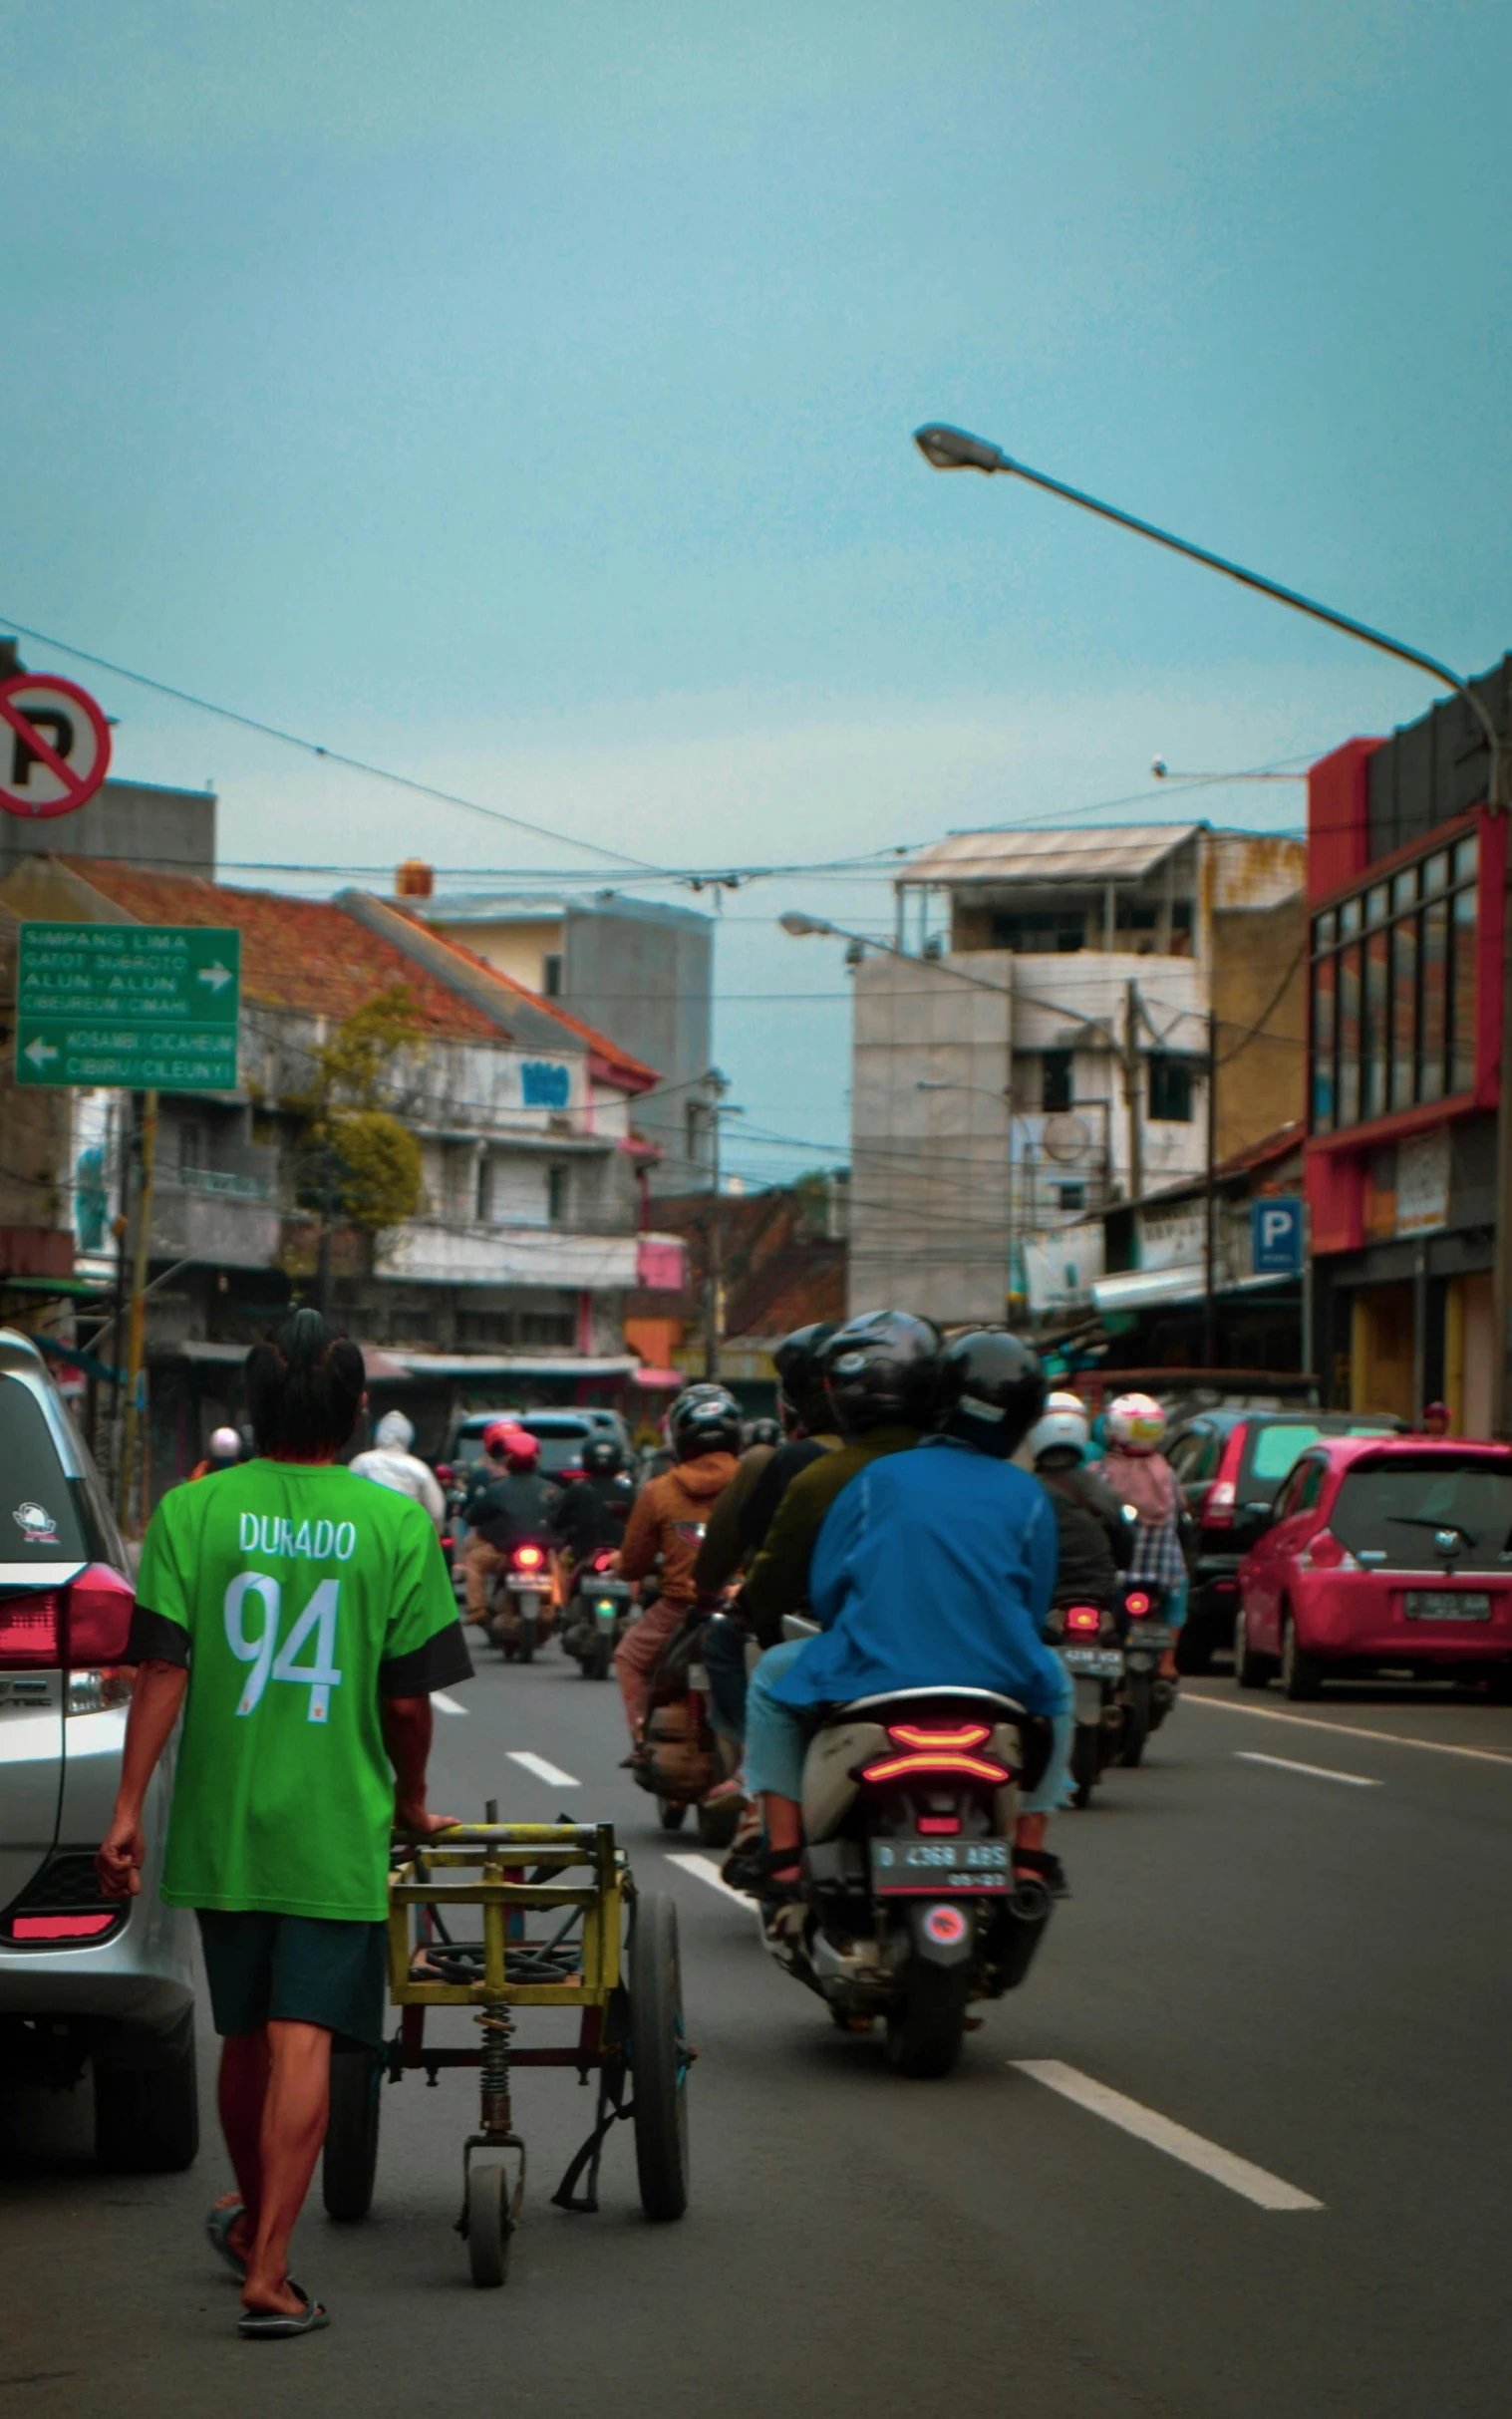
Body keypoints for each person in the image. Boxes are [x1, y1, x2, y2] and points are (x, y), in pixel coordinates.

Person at [95, 1310, 468, 2338]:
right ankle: (269, 2271)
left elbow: (162, 1667)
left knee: (245, 2036)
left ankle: (254, 2216)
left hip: (224, 1818)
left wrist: (127, 1810)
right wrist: (409, 1798)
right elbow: (405, 1700)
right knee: (307, 2040)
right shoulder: (391, 1524)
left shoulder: (193, 1511)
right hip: (332, 1821)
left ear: (248, 1411)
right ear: (355, 1413)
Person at [743, 1330, 1073, 1900]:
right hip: (997, 1675)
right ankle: (1028, 1854)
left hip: (871, 1669)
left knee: (771, 1681)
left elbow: (826, 1590)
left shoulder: (877, 1478)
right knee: (1061, 1686)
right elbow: (1034, 1602)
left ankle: (782, 1856)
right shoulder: (1027, 1495)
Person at [736, 1311, 939, 1649]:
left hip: (859, 1660)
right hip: (976, 1667)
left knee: (767, 1681)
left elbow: (772, 1591)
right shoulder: (989, 1479)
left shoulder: (818, 1479)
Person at [614, 1385, 742, 1743]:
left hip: (678, 1610)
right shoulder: (756, 1481)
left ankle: (641, 1739)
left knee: (629, 1658)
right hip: (742, 1607)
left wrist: (619, 1563)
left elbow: (634, 1565)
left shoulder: (659, 1490)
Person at [1099, 1392, 1187, 1676]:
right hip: (1162, 1570)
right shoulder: (1165, 1470)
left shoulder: (1104, 1470)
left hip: (1119, 1572)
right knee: (1180, 1589)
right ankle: (1168, 1661)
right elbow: (1180, 1511)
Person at [1029, 1401, 1133, 1606]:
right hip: (1100, 1592)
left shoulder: (1024, 1492)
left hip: (1046, 1594)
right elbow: (1126, 1545)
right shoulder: (1102, 1489)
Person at [349, 1408, 446, 1532]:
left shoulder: (361, 1463)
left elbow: (345, 1500)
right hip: (406, 1536)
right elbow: (436, 1512)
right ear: (408, 1436)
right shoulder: (419, 1468)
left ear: (378, 1434)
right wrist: (432, 1535)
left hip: (368, 1535)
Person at [551, 1433, 636, 1563]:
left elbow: (558, 1522)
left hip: (583, 1555)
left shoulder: (577, 1490)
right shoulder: (628, 1490)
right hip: (620, 1559)